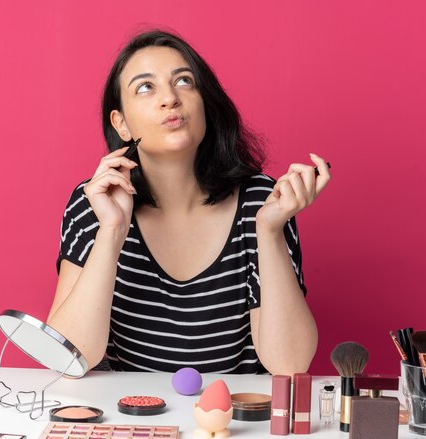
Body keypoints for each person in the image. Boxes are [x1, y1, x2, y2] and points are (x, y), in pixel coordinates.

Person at [47, 29, 330, 375]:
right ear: (120, 123)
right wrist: (111, 230)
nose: (170, 99)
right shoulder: (93, 202)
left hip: (231, 423)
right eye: (145, 87)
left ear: (205, 103)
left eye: (184, 82)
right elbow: (69, 359)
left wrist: (269, 231)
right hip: (129, 419)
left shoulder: (263, 201)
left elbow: (289, 365)